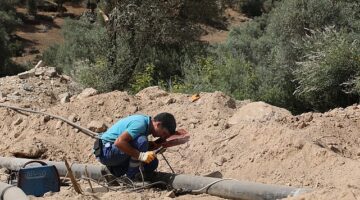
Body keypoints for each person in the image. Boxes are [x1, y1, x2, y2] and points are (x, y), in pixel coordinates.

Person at [93, 112, 176, 180]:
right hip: (106, 151)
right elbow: (119, 142)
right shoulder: (140, 123)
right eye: (164, 133)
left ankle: (113, 170)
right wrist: (141, 156)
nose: (162, 136)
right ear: (158, 125)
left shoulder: (145, 124)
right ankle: (132, 178)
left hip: (112, 152)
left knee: (152, 163)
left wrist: (156, 145)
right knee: (142, 141)